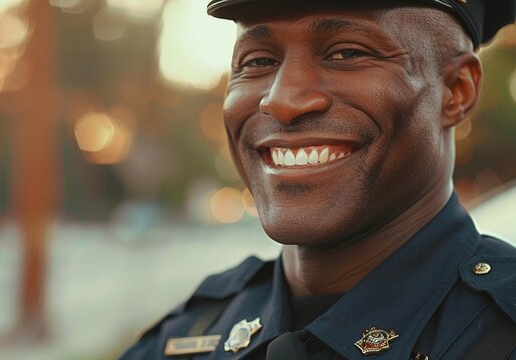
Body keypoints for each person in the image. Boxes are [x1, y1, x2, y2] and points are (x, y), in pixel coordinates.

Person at [120, 0, 516, 358]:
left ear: (456, 90)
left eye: (347, 53)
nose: (281, 100)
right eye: (258, 61)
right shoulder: (186, 336)